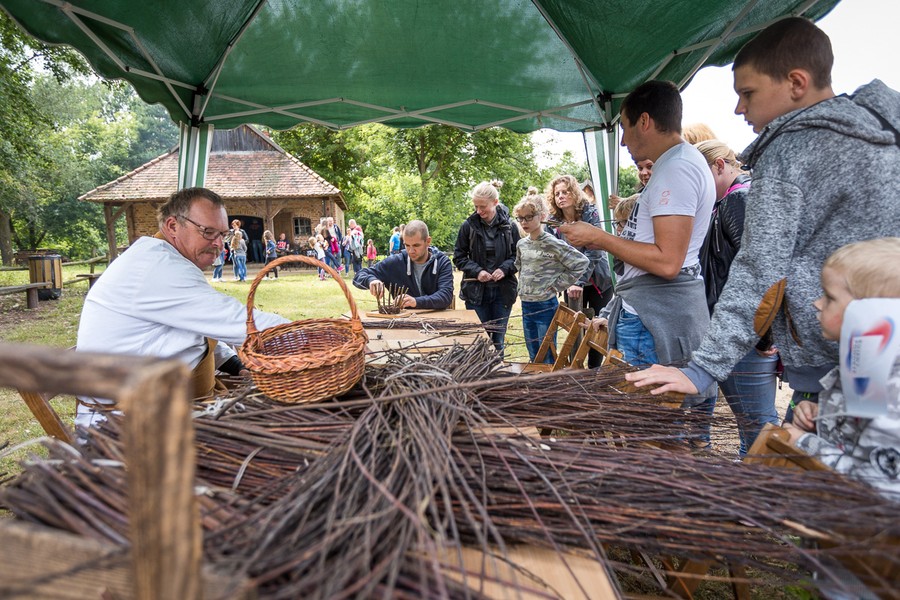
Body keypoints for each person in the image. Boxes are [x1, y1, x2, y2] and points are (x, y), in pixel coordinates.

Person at [625, 18, 900, 419]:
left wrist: (703, 369)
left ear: (796, 82)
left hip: (840, 363)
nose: (739, 108)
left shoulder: (790, 152)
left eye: (747, 93)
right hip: (878, 351)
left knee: (839, 471)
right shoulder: (883, 134)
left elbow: (759, 268)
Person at [559, 80, 717, 446]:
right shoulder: (680, 163)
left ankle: (651, 500)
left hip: (652, 319)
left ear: (644, 121)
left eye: (625, 129)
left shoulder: (675, 169)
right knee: (654, 434)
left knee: (647, 436)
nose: (624, 142)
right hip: (650, 311)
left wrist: (597, 237)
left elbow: (667, 261)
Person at [75, 187, 289, 428]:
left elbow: (193, 333)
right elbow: (244, 323)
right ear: (173, 226)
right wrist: (324, 335)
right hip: (122, 426)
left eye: (223, 234)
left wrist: (236, 366)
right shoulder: (158, 267)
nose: (219, 244)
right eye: (208, 232)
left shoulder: (165, 258)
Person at [783, 238, 900, 499]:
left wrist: (802, 443)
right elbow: (859, 437)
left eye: (830, 297)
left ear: (875, 315)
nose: (817, 304)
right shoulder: (870, 368)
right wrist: (824, 417)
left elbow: (879, 487)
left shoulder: (893, 393)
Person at [696, 139, 778, 456]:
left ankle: (765, 496)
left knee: (758, 427)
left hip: (745, 335)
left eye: (702, 179)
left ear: (720, 166)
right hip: (740, 331)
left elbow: (763, 270)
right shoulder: (729, 201)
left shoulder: (737, 201)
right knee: (752, 426)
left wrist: (763, 334)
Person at [513, 188, 589, 362]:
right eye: (521, 218)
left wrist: (557, 285)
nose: (524, 222)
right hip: (526, 303)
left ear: (542, 216)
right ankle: (536, 382)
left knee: (546, 352)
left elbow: (580, 263)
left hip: (545, 305)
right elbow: (520, 266)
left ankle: (548, 383)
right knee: (532, 350)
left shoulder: (552, 243)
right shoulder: (521, 244)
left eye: (529, 217)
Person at [546, 174, 613, 367]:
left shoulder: (590, 214)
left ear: (575, 193)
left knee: (597, 325)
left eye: (565, 192)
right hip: (571, 283)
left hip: (598, 281)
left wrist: (579, 281)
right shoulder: (553, 222)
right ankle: (577, 367)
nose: (561, 196)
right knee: (575, 325)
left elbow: (595, 251)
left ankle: (594, 369)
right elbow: (555, 254)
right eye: (557, 193)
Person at [454, 180, 520, 357]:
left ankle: (498, 379)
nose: (479, 211)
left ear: (495, 203)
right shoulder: (468, 226)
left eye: (483, 207)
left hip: (503, 291)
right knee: (479, 341)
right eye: (476, 206)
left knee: (498, 341)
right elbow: (459, 257)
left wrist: (505, 269)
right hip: (476, 292)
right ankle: (478, 380)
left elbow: (518, 257)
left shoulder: (510, 226)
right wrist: (478, 271)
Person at [353, 220, 454, 310]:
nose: (411, 250)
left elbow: (445, 296)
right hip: (403, 324)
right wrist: (371, 280)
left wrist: (416, 302)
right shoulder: (395, 262)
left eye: (416, 245)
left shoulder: (442, 262)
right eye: (407, 245)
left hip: (437, 322)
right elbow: (358, 276)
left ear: (428, 241)